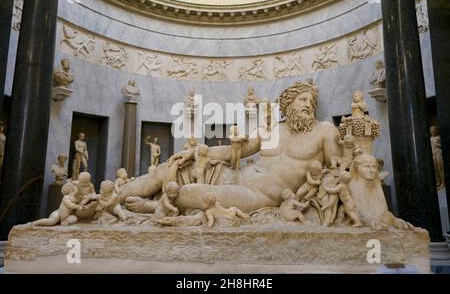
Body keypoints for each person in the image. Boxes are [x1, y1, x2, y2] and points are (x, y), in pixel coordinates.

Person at [121, 82, 342, 214]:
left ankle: (154, 208)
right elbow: (238, 150)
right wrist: (198, 152)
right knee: (168, 169)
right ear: (288, 104)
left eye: (312, 102)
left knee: (189, 192)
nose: (309, 106)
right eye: (303, 100)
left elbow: (337, 170)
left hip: (259, 195)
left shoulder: (324, 130)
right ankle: (107, 196)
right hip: (234, 176)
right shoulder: (274, 127)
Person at [349, 154, 414, 231]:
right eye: (366, 167)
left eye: (374, 167)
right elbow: (357, 211)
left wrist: (394, 220)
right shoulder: (352, 186)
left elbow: (383, 211)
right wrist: (369, 221)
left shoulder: (377, 186)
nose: (371, 170)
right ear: (357, 168)